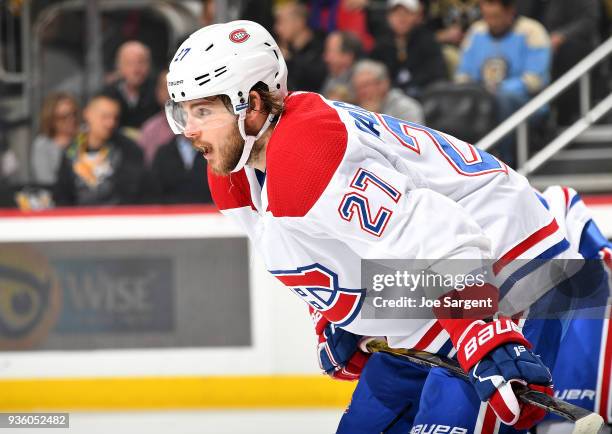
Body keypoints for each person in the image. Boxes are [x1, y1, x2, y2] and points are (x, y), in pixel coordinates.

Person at [165, 20, 578, 432]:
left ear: (251, 105)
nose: (189, 129)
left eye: (203, 110)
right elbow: (321, 249)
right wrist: (336, 318)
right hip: (426, 301)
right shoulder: (234, 172)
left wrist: (487, 338)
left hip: (505, 272)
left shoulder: (306, 152)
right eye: (183, 112)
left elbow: (437, 237)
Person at [455, 0, 551, 166]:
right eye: (486, 16)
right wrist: (480, 91)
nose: (491, 21)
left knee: (503, 99)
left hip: (527, 103)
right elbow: (463, 74)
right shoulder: (476, 31)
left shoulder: (532, 30)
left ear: (509, 12)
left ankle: (506, 163)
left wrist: (495, 90)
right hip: (483, 97)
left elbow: (535, 79)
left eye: (496, 16)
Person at [53, 94, 148, 206]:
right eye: (105, 117)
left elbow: (136, 193)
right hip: (79, 219)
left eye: (115, 118)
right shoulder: (71, 151)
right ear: (87, 114)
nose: (110, 123)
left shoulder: (129, 150)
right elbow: (62, 195)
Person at [371, 0, 448, 97]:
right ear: (388, 17)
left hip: (424, 98)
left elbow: (437, 75)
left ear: (417, 17)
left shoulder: (428, 41)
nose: (401, 18)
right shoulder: (381, 44)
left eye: (407, 13)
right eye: (396, 13)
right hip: (388, 100)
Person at [101, 41, 160, 133]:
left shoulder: (159, 91)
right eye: (130, 63)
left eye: (141, 62)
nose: (136, 69)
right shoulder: (107, 95)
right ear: (119, 67)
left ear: (149, 65)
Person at [274, 1, 327, 92]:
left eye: (282, 22)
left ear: (299, 22)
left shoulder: (321, 47)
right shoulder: (286, 49)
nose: (277, 28)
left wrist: (289, 60)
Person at [351, 59, 424, 122]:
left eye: (366, 85)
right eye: (357, 88)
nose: (361, 92)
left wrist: (373, 117)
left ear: (383, 84)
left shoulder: (406, 108)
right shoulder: (356, 108)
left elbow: (411, 137)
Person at [30, 92, 80, 186]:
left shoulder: (83, 138)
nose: (71, 119)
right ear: (51, 120)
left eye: (74, 114)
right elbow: (46, 180)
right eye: (64, 117)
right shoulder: (43, 145)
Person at [150, 135, 213, 205]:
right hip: (170, 211)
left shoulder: (211, 152)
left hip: (207, 211)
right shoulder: (163, 153)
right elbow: (154, 189)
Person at [138, 70, 175, 167]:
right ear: (157, 92)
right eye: (164, 87)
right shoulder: (149, 129)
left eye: (173, 86)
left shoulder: (197, 124)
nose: (169, 92)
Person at [321, 30, 363, 101]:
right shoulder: (332, 77)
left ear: (348, 56)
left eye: (331, 52)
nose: (325, 58)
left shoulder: (365, 78)